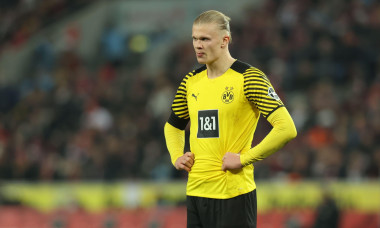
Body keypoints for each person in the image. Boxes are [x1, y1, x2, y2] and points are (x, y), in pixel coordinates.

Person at [164, 10, 297, 228]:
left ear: (225, 40)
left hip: (233, 194)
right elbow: (173, 127)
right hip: (196, 192)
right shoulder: (191, 81)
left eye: (205, 39)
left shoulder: (249, 77)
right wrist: (176, 156)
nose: (198, 45)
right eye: (195, 39)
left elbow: (287, 128)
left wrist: (244, 159)